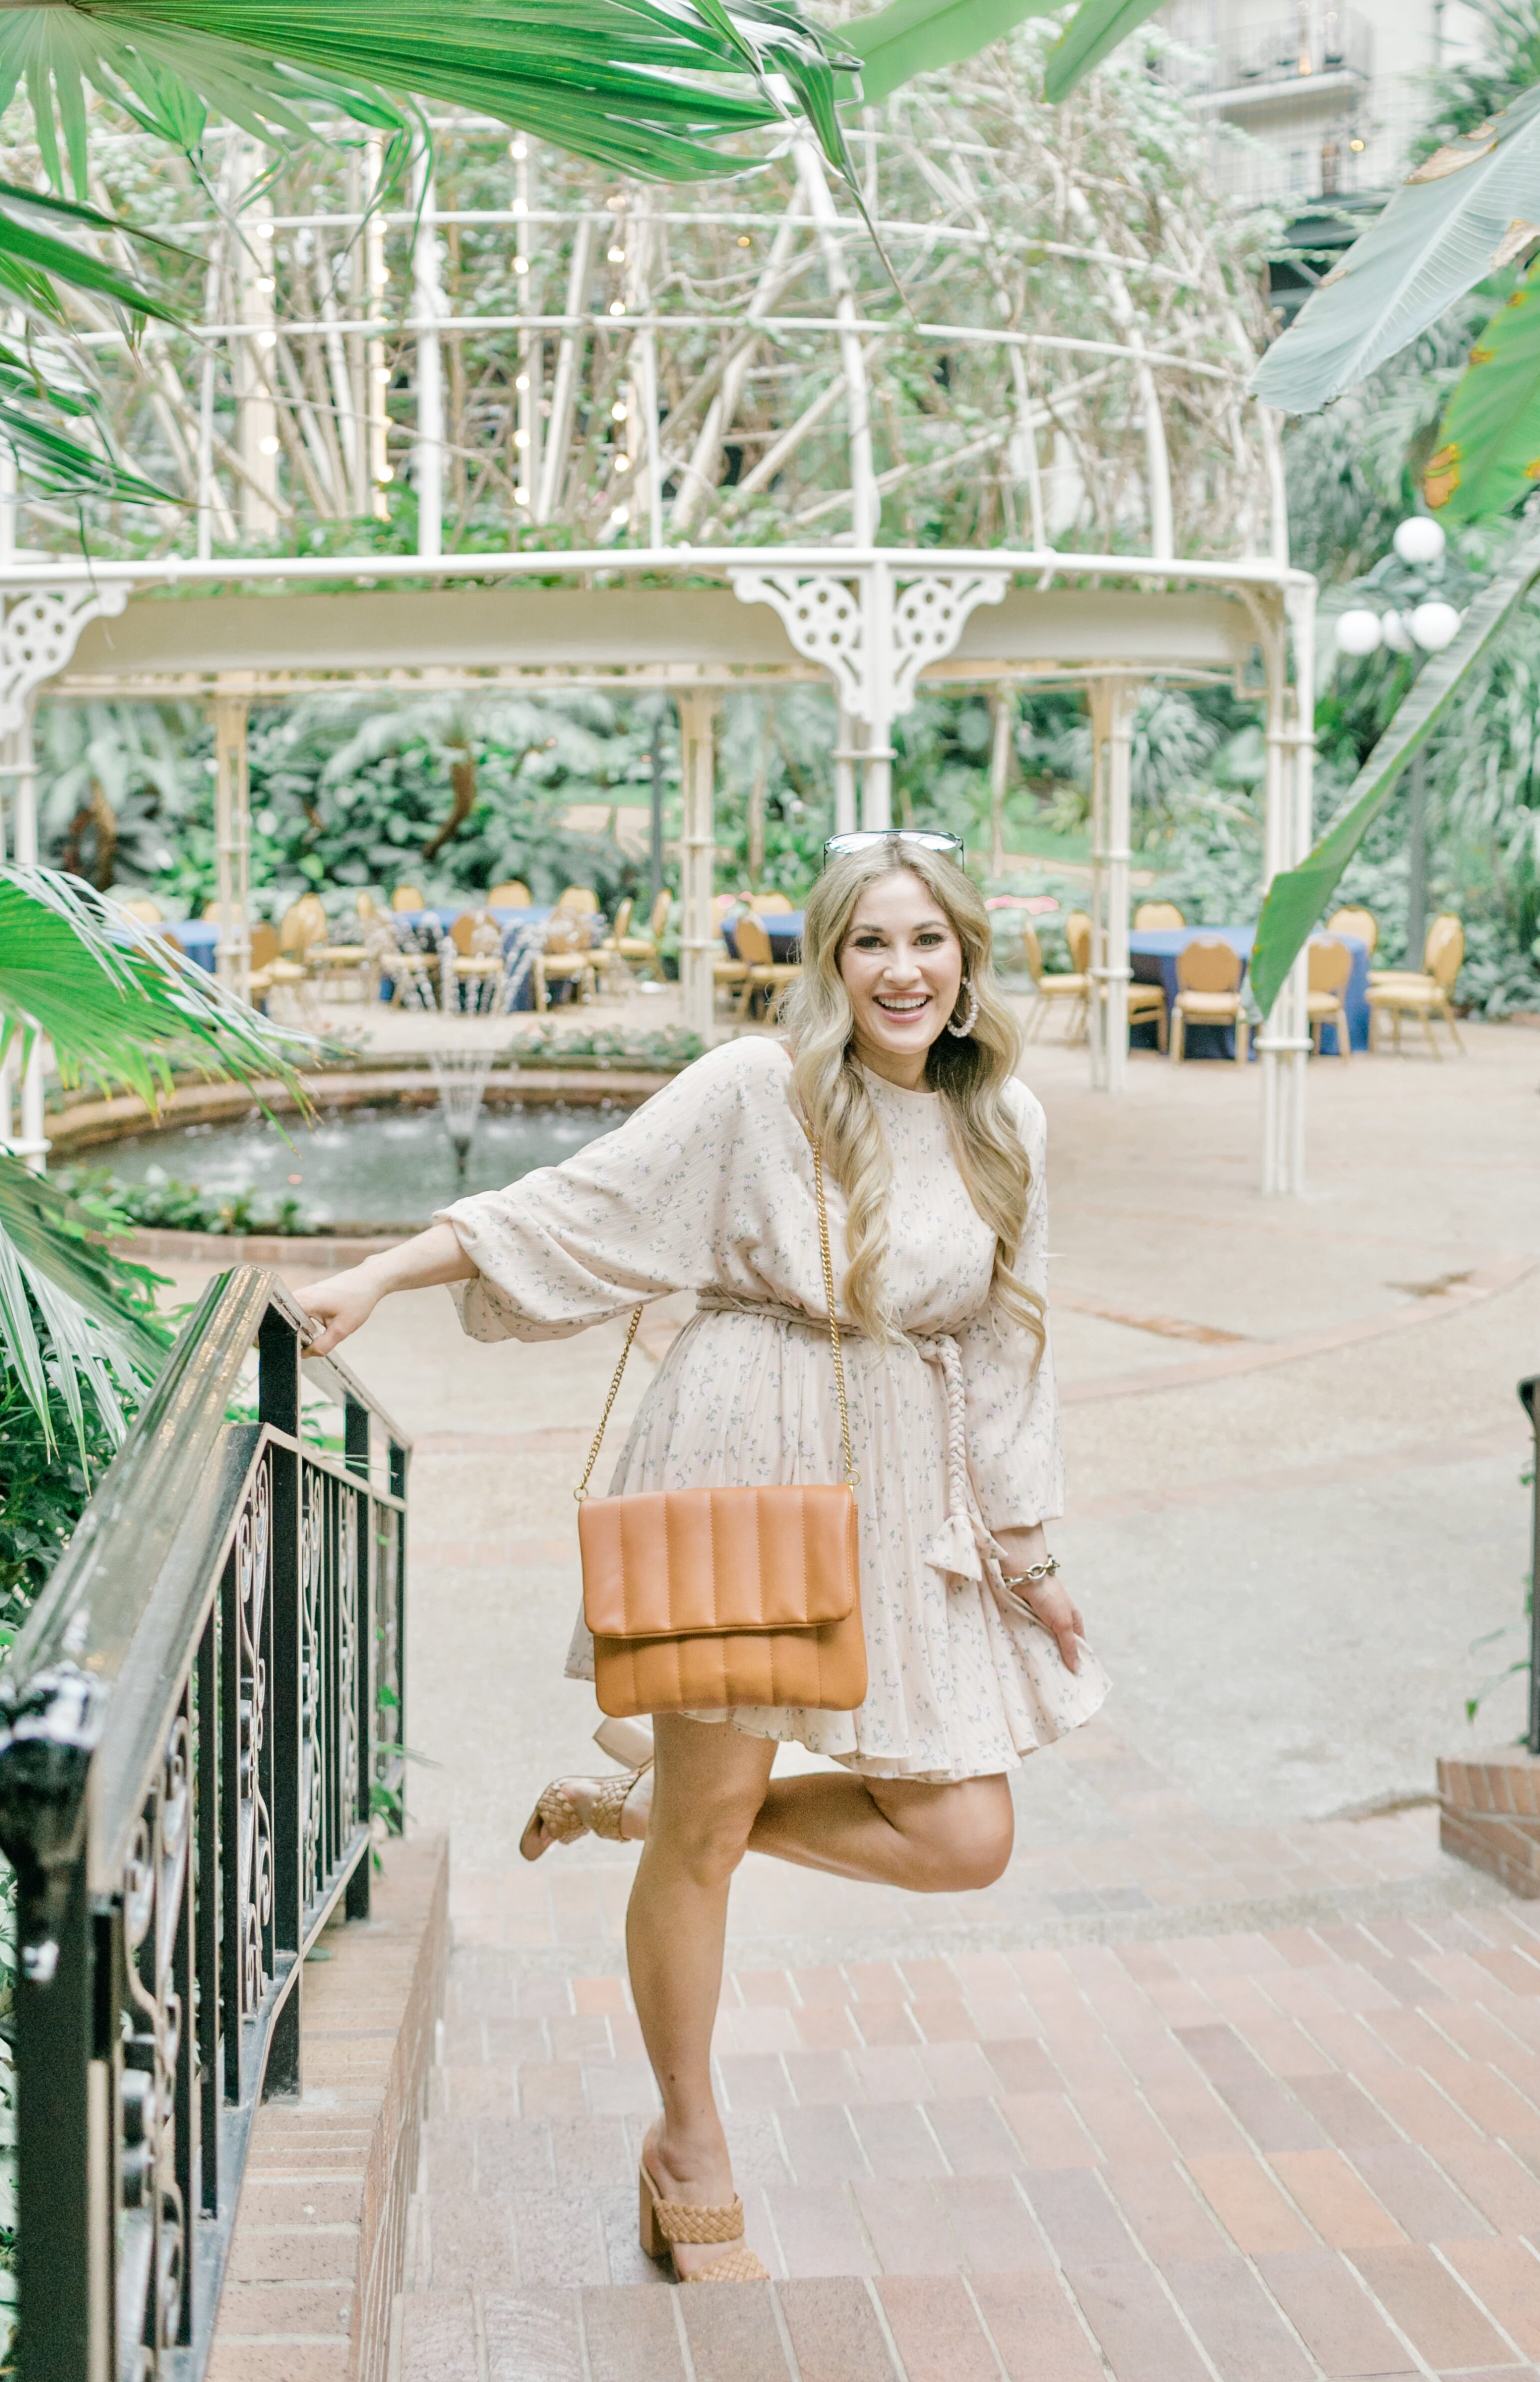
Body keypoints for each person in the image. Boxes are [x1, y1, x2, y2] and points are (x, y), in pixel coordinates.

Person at [296, 833, 1107, 2284]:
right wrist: (378, 1273)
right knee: (709, 1833)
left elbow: (1004, 1347)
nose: (901, 971)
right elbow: (579, 1203)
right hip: (743, 1450)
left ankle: (649, 1810)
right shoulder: (761, 1090)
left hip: (904, 1478)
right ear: (830, 962)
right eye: (869, 943)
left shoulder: (1008, 1125)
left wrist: (1027, 1548)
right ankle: (689, 2136)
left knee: (964, 1833)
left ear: (968, 956)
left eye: (926, 941)